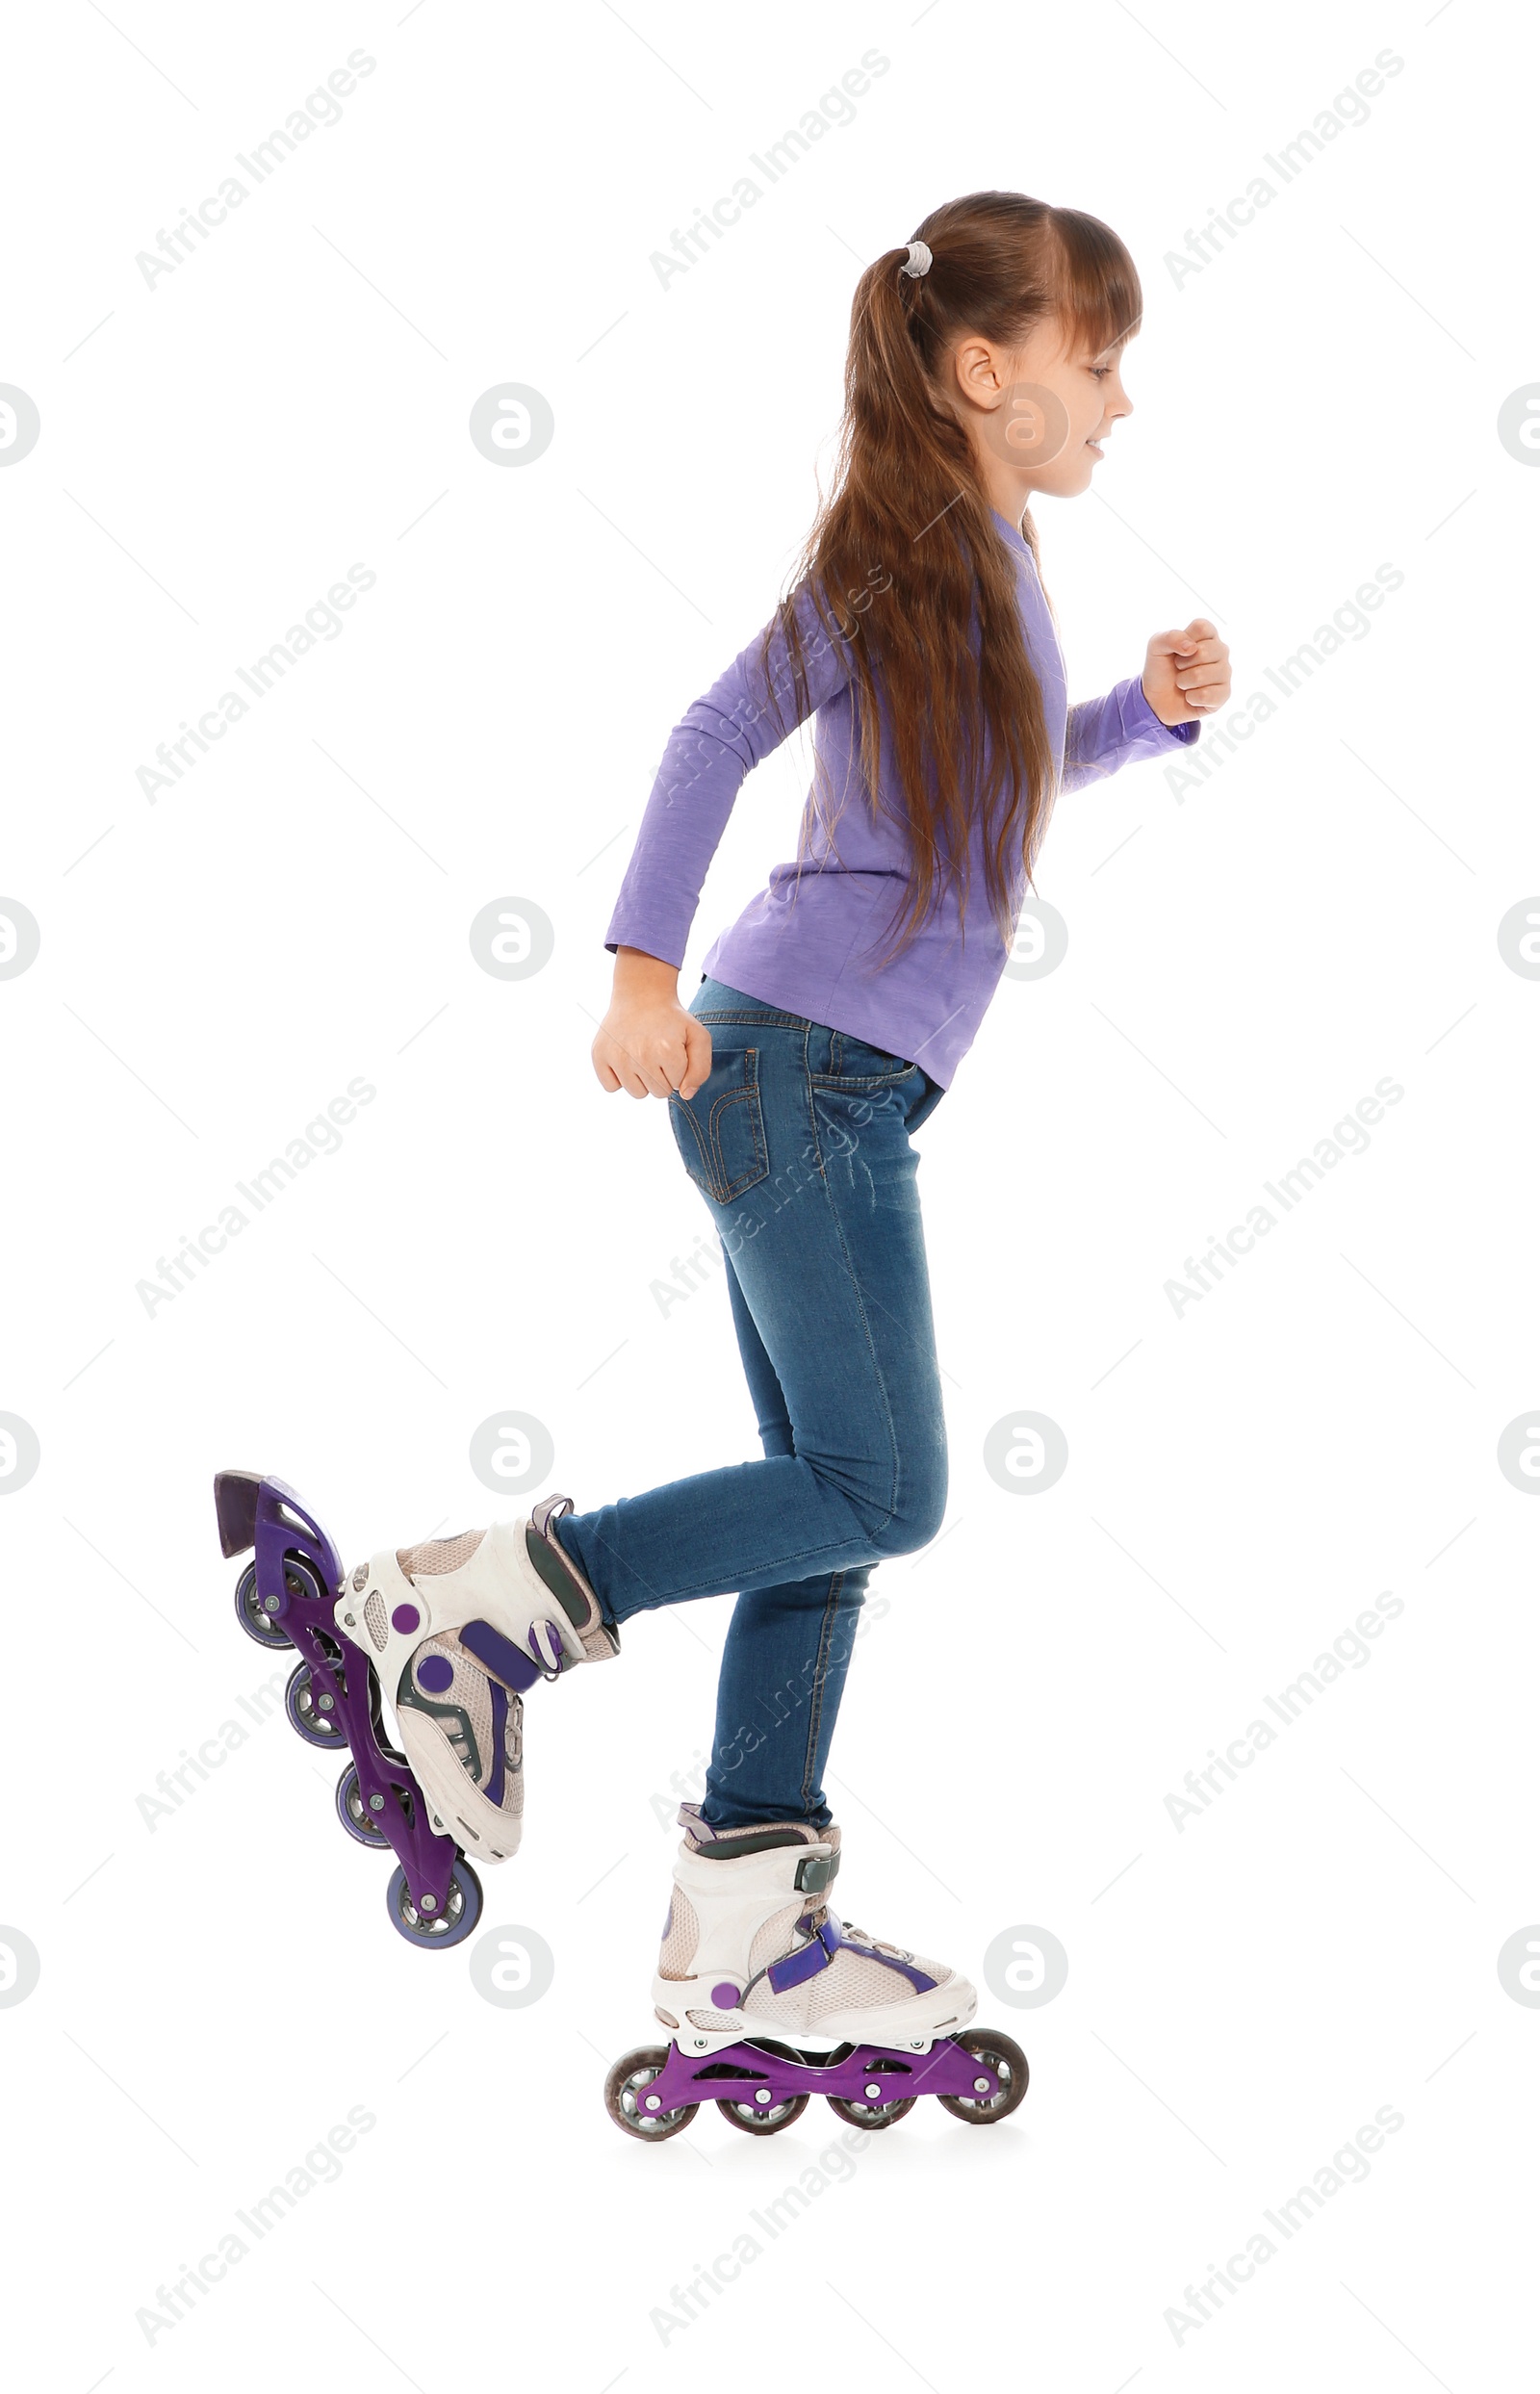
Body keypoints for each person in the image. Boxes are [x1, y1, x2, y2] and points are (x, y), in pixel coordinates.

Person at [361, 190, 1230, 2049]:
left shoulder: (991, 562)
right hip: (791, 1069)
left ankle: (745, 1918)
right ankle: (493, 1608)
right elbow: (708, 733)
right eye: (1102, 364)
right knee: (885, 1486)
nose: (1123, 404)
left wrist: (1136, 719)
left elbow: (997, 773)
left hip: (828, 1080)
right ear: (989, 373)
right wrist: (637, 979)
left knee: (821, 1510)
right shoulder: (897, 552)